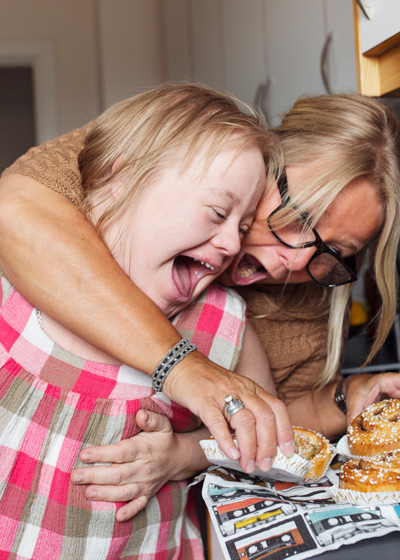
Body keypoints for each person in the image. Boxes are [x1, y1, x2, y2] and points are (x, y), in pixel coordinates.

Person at [2, 91, 400, 517]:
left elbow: (273, 424)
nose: (298, 260)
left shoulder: (297, 305)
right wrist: (183, 367)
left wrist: (342, 397)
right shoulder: (165, 152)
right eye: (300, 215)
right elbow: (17, 214)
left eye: (336, 252)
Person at [0, 83, 293, 558]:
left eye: (242, 228)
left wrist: (183, 455)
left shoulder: (221, 325)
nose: (232, 245)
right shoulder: (15, 289)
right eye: (218, 212)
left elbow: (270, 449)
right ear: (123, 177)